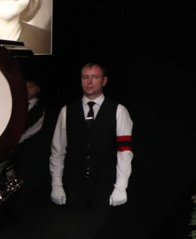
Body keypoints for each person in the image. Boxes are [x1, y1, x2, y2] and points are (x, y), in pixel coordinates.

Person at [49, 62, 133, 209]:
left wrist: (120, 187)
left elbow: (124, 152)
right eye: (85, 77)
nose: (89, 81)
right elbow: (58, 151)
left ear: (104, 81)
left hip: (106, 187)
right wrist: (56, 185)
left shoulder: (118, 111)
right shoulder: (67, 111)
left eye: (95, 77)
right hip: (73, 187)